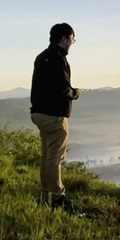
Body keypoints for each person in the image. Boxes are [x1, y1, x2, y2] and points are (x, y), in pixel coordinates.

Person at [29, 23, 82, 210]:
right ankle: (58, 197)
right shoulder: (59, 59)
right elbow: (62, 88)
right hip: (55, 116)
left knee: (46, 155)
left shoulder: (41, 57)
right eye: (71, 40)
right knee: (55, 157)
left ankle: (45, 194)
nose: (71, 44)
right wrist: (74, 93)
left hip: (38, 113)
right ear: (65, 38)